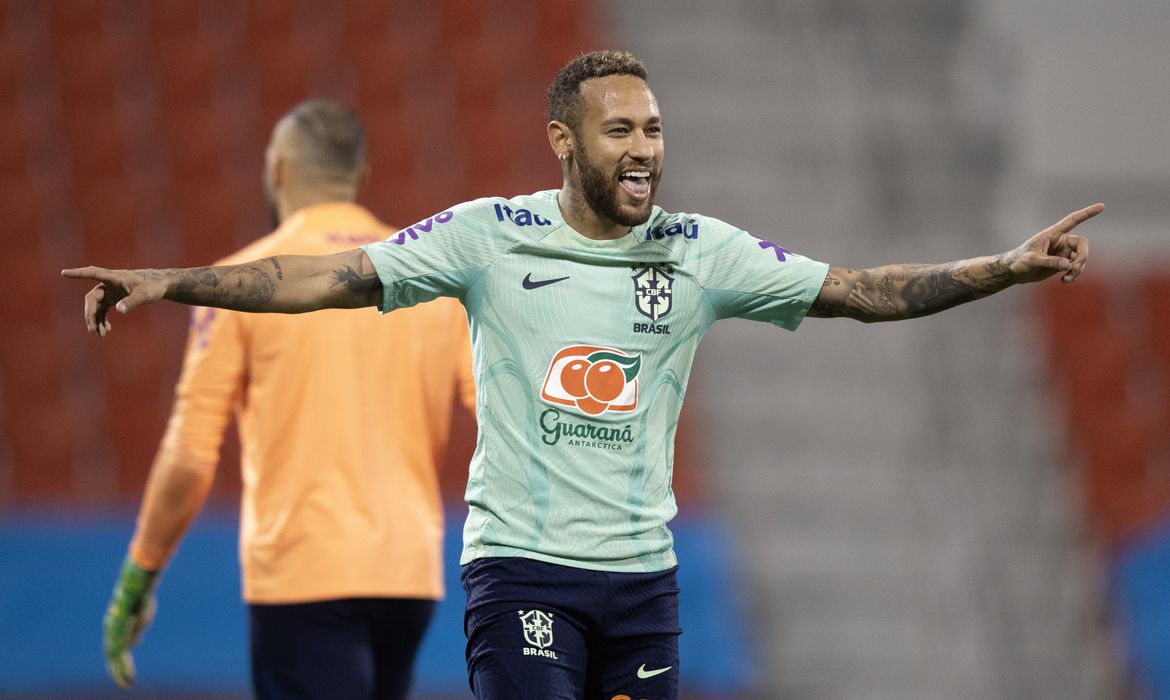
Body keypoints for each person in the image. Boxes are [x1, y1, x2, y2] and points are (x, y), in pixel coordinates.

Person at [65, 51, 1099, 700]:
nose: (645, 148)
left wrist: (1005, 266)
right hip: (519, 569)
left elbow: (868, 292)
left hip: (643, 584)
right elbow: (321, 277)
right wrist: (173, 279)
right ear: (565, 141)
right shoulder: (487, 237)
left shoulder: (700, 249)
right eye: (621, 131)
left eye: (653, 129)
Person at [97, 99, 475, 700]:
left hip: (302, 577)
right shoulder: (427, 282)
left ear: (276, 171)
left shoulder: (238, 283)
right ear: (362, 176)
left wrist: (137, 579)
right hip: (409, 578)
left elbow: (191, 454)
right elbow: (496, 409)